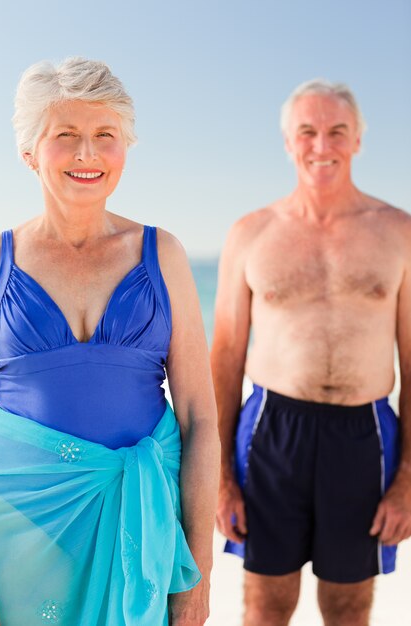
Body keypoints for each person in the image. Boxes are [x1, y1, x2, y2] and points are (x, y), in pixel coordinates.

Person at [0, 57, 219, 626]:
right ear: (29, 152)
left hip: (142, 533)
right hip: (20, 534)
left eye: (105, 136)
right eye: (65, 136)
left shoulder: (161, 253)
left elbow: (200, 420)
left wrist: (197, 576)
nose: (87, 154)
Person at [211, 78, 411, 626]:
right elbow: (225, 356)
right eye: (307, 132)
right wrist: (221, 476)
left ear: (358, 141)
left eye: (336, 132)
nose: (321, 146)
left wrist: (408, 480)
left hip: (364, 433)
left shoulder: (399, 232)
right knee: (265, 603)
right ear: (287, 142)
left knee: (348, 606)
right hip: (272, 429)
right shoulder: (251, 233)